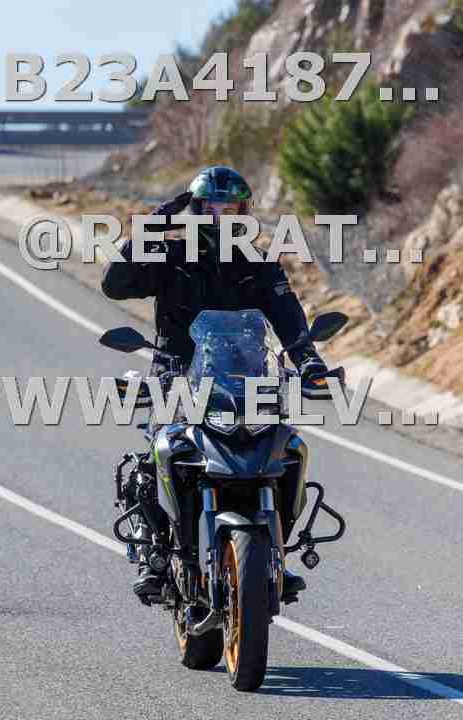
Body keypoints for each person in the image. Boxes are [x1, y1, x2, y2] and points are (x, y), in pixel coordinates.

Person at [101, 165, 329, 601]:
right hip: (177, 376)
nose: (220, 216)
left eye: (231, 208)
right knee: (158, 454)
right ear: (194, 208)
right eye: (210, 207)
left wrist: (309, 360)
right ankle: (155, 554)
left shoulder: (259, 264)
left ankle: (274, 552)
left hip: (245, 380)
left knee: (289, 449)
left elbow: (289, 319)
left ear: (245, 212)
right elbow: (115, 284)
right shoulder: (170, 256)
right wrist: (154, 225)